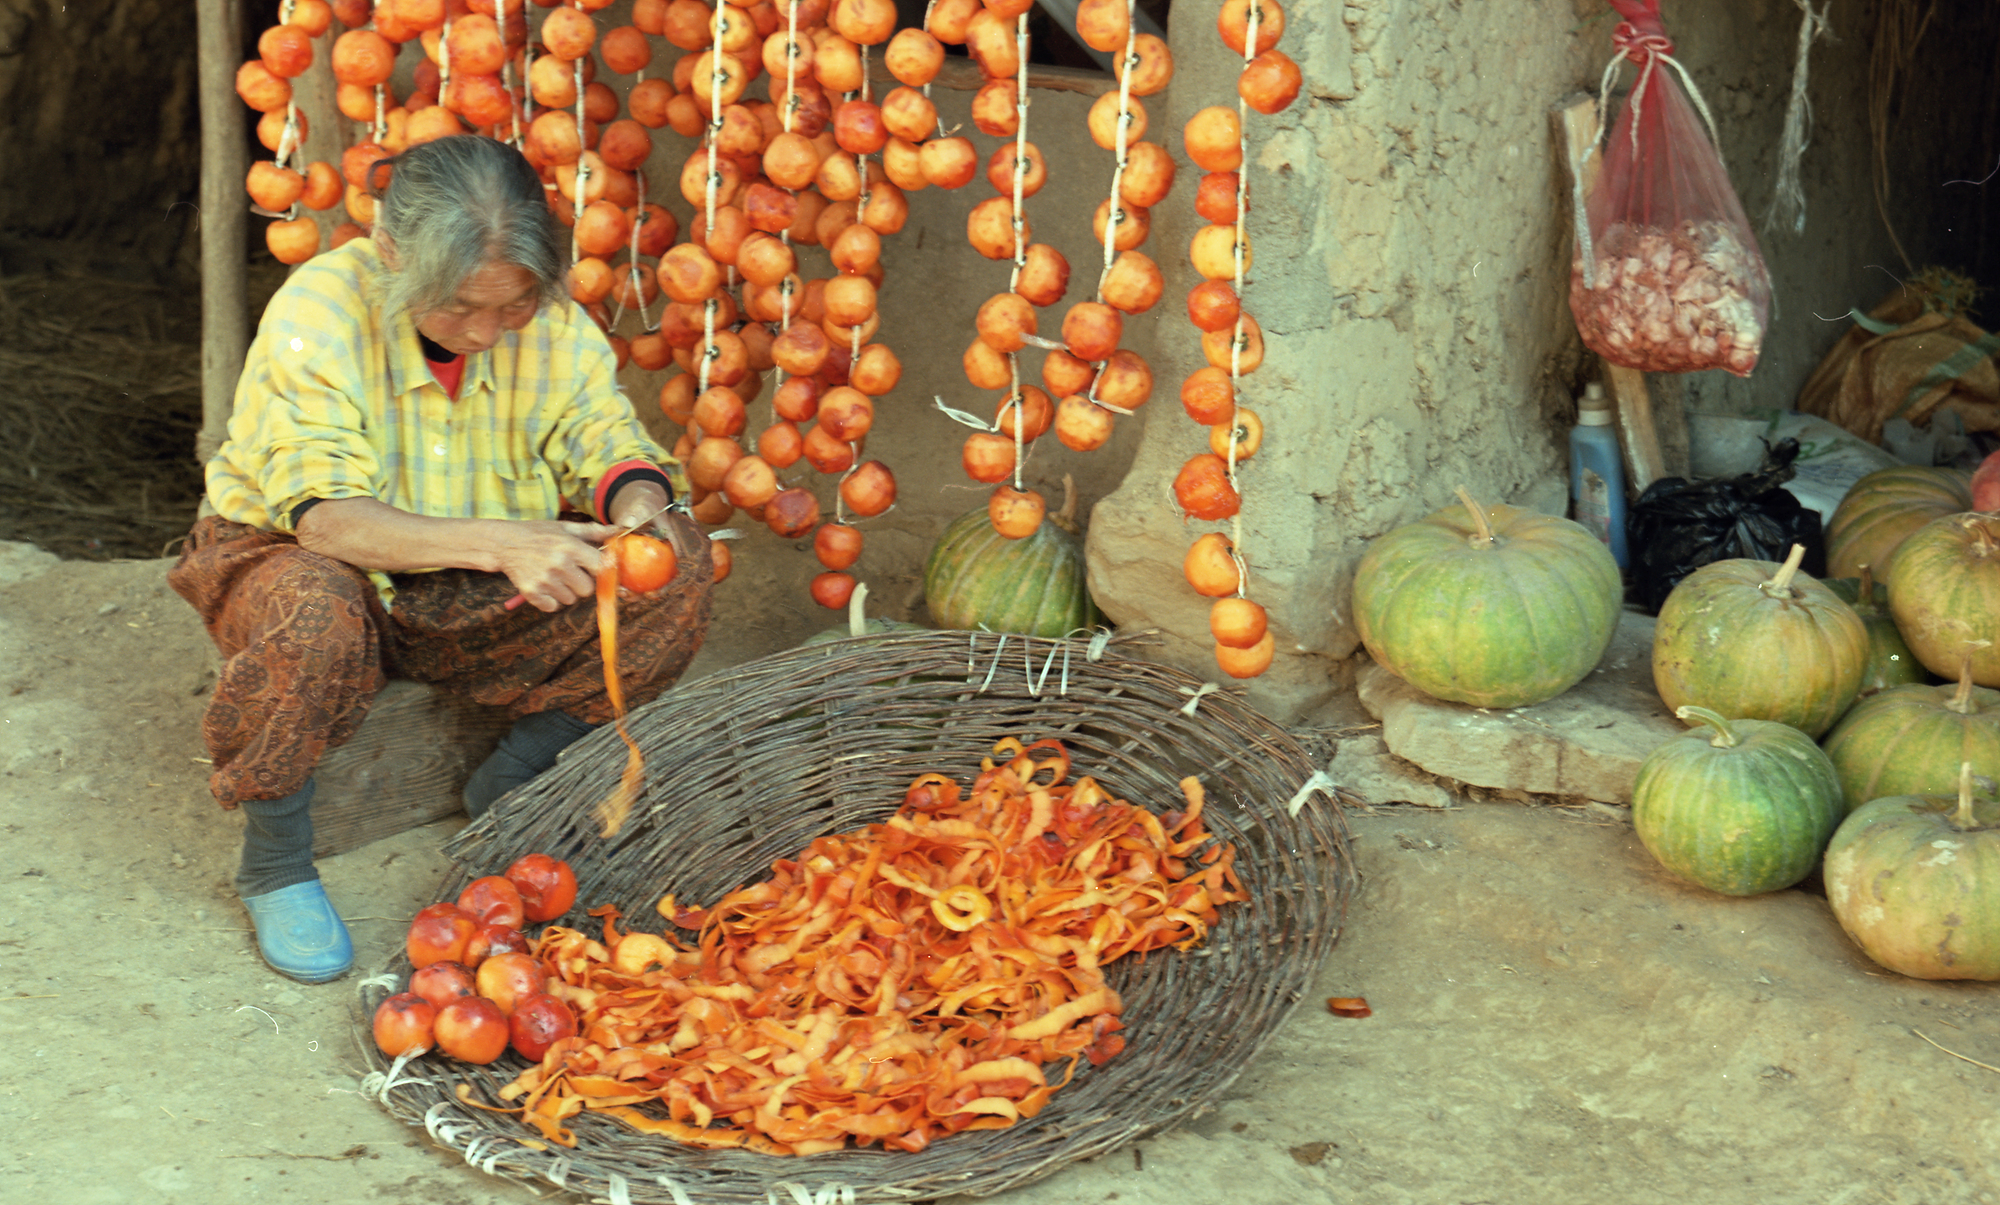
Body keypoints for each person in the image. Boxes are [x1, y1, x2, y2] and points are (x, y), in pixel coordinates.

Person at [169, 135, 713, 984]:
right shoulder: (319, 313)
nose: (491, 332)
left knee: (678, 566)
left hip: (465, 576)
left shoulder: (552, 323)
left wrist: (640, 507)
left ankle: (516, 776)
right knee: (308, 612)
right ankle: (275, 862)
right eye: (462, 307)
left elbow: (603, 437)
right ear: (391, 253)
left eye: (516, 305)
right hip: (305, 555)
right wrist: (505, 542)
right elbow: (327, 521)